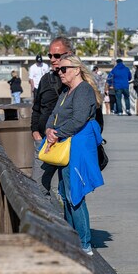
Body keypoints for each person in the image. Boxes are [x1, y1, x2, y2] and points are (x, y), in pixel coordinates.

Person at [43, 54, 104, 256]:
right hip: (65, 147)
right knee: (65, 193)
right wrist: (49, 130)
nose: (60, 73)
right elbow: (53, 115)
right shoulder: (67, 92)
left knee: (75, 194)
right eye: (58, 70)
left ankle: (84, 243)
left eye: (64, 69)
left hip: (75, 148)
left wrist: (57, 133)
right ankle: (72, 238)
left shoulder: (83, 91)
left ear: (76, 69)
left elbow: (78, 120)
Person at [31, 37, 74, 197]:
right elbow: (36, 108)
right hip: (43, 142)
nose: (52, 60)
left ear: (69, 54)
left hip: (68, 143)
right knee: (37, 189)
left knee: (69, 193)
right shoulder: (46, 80)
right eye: (50, 56)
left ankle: (68, 223)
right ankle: (43, 222)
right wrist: (35, 131)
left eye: (57, 56)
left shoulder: (77, 81)